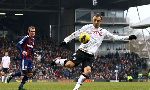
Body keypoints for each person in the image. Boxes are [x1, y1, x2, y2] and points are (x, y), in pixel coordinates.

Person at [51, 13, 137, 90]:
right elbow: (76, 33)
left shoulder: (103, 32)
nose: (96, 22)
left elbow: (114, 37)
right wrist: (66, 40)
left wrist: (128, 37)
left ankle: (76, 88)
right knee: (69, 65)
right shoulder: (87, 27)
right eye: (94, 20)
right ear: (93, 20)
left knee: (87, 71)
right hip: (81, 51)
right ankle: (57, 61)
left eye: (98, 20)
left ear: (101, 21)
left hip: (90, 55)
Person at [7, 26, 36, 90]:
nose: (33, 32)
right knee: (25, 72)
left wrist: (34, 54)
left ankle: (21, 86)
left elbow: (31, 49)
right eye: (31, 31)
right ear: (28, 32)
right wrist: (22, 51)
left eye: (34, 31)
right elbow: (18, 45)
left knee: (30, 73)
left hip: (30, 59)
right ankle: (12, 75)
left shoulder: (33, 40)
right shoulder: (26, 38)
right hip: (24, 58)